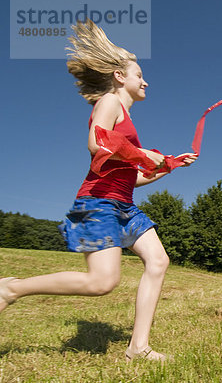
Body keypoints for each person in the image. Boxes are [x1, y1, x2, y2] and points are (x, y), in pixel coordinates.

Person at [0, 20, 197, 361]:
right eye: (139, 75)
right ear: (120, 76)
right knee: (101, 283)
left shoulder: (127, 117)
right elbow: (97, 142)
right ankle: (10, 288)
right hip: (99, 203)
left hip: (124, 204)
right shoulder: (110, 101)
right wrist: (143, 154)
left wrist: (167, 166)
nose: (145, 81)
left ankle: (138, 347)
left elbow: (131, 179)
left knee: (158, 261)